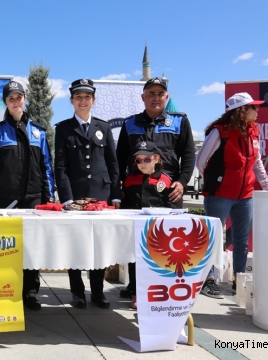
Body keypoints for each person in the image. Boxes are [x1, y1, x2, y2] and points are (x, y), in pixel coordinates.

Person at [0, 81, 55, 311]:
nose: (15, 102)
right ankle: (7, 289)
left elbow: (47, 168)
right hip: (6, 200)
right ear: (5, 102)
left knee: (31, 248)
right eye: (11, 98)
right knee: (7, 247)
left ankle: (30, 293)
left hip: (33, 199)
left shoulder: (38, 132)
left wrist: (50, 197)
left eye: (19, 97)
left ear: (24, 100)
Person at [196, 92, 268, 298]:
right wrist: (216, 180)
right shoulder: (220, 132)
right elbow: (201, 161)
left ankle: (240, 282)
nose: (257, 111)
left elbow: (256, 162)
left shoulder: (254, 131)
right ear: (242, 110)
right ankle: (208, 280)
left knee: (241, 239)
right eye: (253, 107)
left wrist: (267, 188)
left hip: (245, 195)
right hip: (220, 195)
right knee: (214, 238)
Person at [54, 79, 120, 309]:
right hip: (76, 196)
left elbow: (113, 163)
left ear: (93, 100)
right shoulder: (63, 128)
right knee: (76, 245)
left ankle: (98, 292)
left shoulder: (103, 127)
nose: (83, 101)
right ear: (72, 100)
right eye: (78, 97)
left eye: (87, 97)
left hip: (101, 195)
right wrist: (67, 198)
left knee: (98, 245)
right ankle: (77, 292)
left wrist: (116, 195)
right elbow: (60, 167)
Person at [116, 77, 195, 209]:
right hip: (134, 192)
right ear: (143, 97)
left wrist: (182, 182)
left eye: (160, 94)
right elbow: (120, 158)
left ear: (166, 96)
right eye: (151, 94)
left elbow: (189, 155)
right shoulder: (129, 123)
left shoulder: (179, 121)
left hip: (169, 191)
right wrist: (119, 183)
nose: (156, 98)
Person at [120, 141, 173, 308]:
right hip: (135, 230)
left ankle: (155, 293)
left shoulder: (165, 180)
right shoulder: (130, 180)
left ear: (156, 159)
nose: (142, 164)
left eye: (147, 160)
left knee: (156, 263)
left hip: (157, 232)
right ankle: (135, 292)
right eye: (138, 161)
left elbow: (170, 206)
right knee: (135, 262)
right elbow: (125, 203)